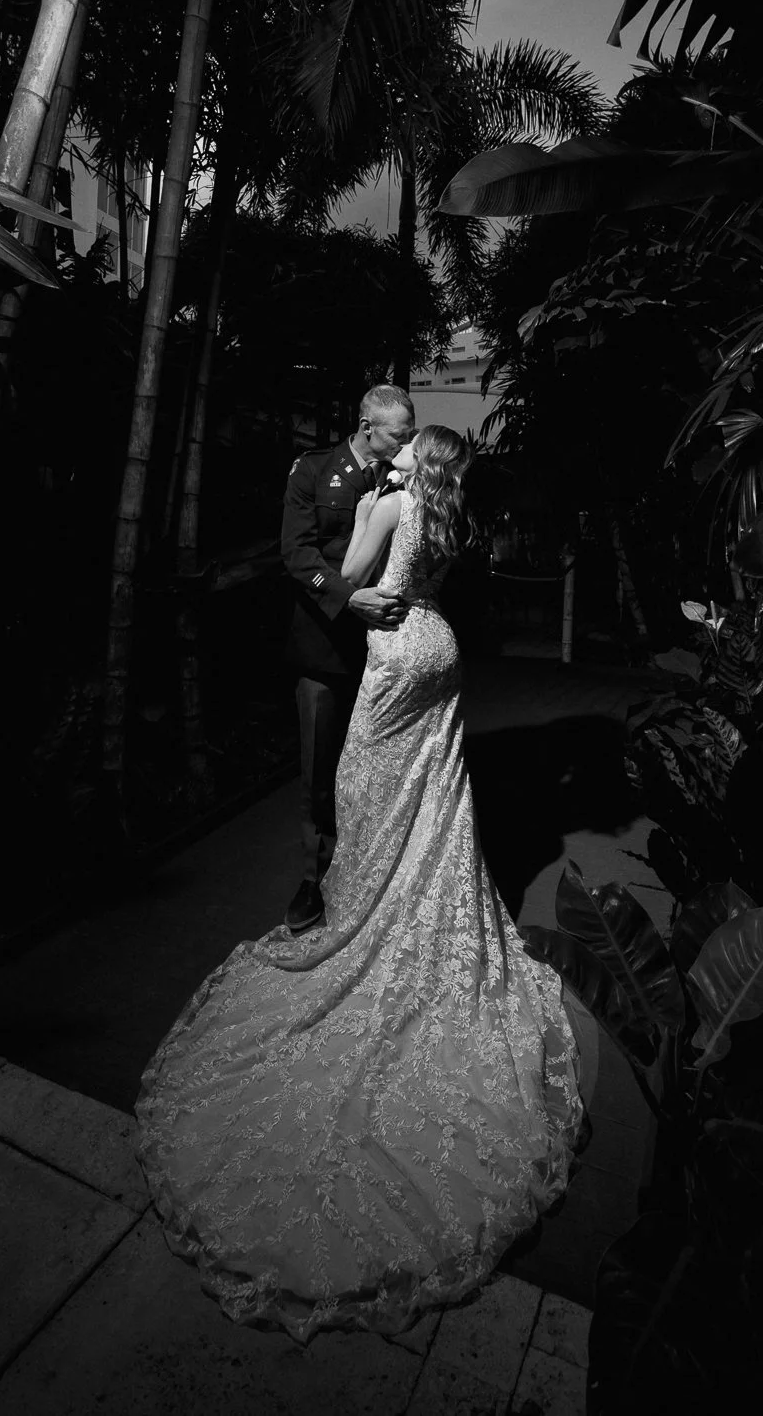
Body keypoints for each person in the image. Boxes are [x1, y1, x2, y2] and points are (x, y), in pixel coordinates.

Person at [136, 424, 582, 1342]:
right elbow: (416, 580)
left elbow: (352, 580)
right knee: (435, 803)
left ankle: (362, 913)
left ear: (416, 458)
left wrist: (355, 581)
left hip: (392, 661)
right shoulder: (453, 517)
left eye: (408, 441)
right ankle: (415, 904)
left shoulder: (387, 501)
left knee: (364, 791)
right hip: (443, 655)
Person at [279, 385, 416, 934]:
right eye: (398, 433)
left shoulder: (404, 477)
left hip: (386, 645)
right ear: (366, 427)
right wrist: (347, 596)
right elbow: (297, 552)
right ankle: (313, 879)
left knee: (381, 762)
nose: (406, 442)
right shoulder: (313, 471)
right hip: (325, 642)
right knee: (319, 764)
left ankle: (379, 869)